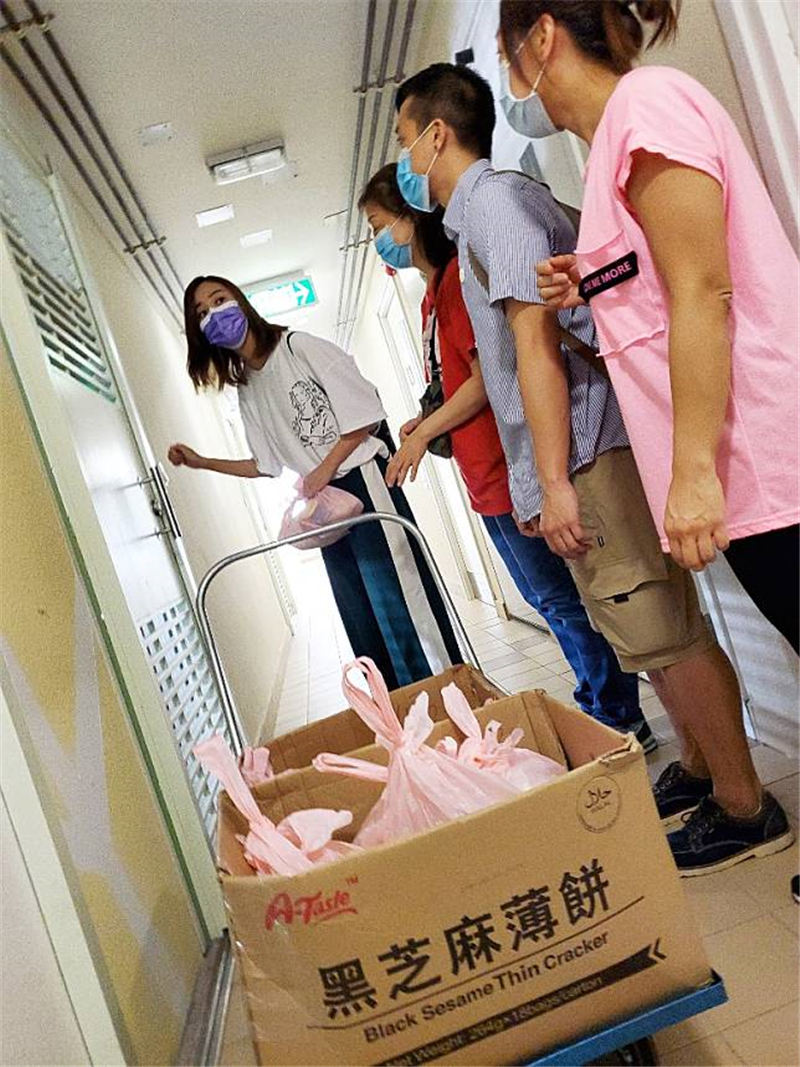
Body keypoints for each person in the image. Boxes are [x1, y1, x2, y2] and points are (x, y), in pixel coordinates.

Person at [393, 61, 793, 874]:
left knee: (660, 628)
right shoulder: (492, 212)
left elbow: (535, 344)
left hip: (589, 447)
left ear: (436, 136)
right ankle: (704, 769)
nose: (405, 162)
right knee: (641, 630)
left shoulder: (505, 200)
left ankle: (743, 803)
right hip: (591, 446)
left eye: (405, 140)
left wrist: (552, 479)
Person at [498, 0, 798, 884]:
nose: (513, 83)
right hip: (739, 469)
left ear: (542, 37)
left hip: (759, 448)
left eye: (509, 54)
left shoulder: (648, 107)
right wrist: (589, 280)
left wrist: (695, 472)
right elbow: (657, 288)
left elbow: (705, 289)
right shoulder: (609, 153)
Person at [359, 162, 655, 748]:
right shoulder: (431, 299)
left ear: (408, 218)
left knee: (564, 600)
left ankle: (617, 714)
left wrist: (421, 435)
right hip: (484, 475)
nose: (379, 240)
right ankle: (600, 702)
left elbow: (485, 380)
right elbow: (459, 379)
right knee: (548, 599)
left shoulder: (456, 279)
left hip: (506, 463)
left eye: (378, 224)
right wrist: (427, 420)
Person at [168, 275, 462, 690]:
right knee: (361, 615)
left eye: (219, 300)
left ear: (241, 301)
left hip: (361, 482)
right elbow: (265, 465)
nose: (213, 315)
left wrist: (324, 468)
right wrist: (202, 463)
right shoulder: (248, 389)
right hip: (325, 508)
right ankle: (396, 711)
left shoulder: (298, 347)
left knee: (401, 598)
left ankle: (450, 692)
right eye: (201, 313)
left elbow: (365, 415)